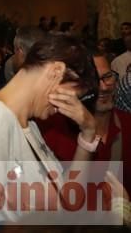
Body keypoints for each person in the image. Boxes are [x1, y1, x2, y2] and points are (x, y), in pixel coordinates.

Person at [0, 35, 99, 231]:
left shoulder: (28, 124)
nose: (62, 108)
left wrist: (89, 133)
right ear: (56, 71)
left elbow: (67, 199)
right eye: (70, 96)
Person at [40, 51, 131, 193]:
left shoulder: (127, 124)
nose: (104, 87)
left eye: (107, 77)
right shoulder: (54, 130)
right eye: (94, 81)